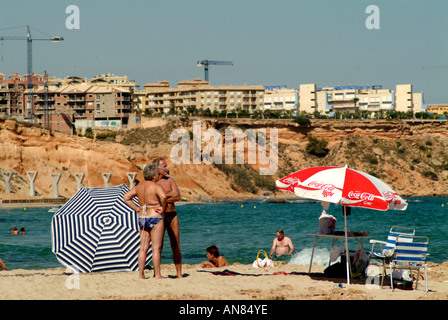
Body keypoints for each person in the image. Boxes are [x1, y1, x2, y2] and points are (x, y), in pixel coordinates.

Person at [123, 163, 167, 279]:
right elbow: (163, 197)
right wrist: (162, 208)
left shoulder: (139, 186)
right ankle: (157, 275)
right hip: (155, 217)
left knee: (143, 247)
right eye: (157, 174)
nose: (159, 176)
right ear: (153, 175)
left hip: (142, 217)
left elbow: (126, 197)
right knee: (156, 248)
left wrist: (137, 208)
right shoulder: (156, 186)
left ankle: (141, 274)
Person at [153, 157, 183, 278]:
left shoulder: (170, 180)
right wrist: (168, 196)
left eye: (166, 166)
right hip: (160, 215)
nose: (167, 168)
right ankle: (157, 273)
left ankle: (179, 273)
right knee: (157, 246)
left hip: (172, 214)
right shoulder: (153, 182)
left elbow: (178, 196)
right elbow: (153, 198)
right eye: (164, 166)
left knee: (175, 244)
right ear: (157, 168)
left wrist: (164, 197)